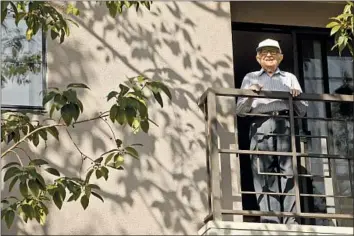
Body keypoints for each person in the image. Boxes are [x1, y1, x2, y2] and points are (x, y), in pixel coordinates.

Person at [236, 39, 308, 224]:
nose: (269, 55)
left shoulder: (289, 78)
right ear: (258, 58)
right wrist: (250, 94)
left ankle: (290, 219)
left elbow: (302, 110)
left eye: (273, 52)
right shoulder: (250, 77)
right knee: (263, 172)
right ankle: (270, 219)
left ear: (280, 57)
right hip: (261, 124)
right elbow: (240, 111)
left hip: (285, 122)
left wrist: (297, 97)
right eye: (264, 52)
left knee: (288, 171)